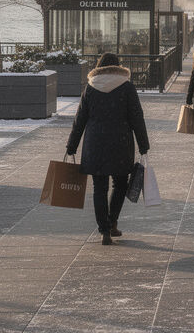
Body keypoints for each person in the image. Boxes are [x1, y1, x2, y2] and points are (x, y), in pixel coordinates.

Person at [67, 53, 150, 245]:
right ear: (118, 67)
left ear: (99, 67)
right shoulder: (127, 87)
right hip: (120, 142)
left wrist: (72, 145)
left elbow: (80, 119)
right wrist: (143, 144)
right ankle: (112, 222)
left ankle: (104, 229)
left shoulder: (90, 87)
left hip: (95, 143)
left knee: (99, 187)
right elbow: (137, 117)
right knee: (120, 184)